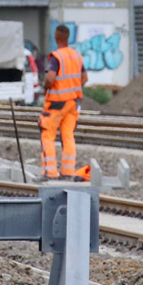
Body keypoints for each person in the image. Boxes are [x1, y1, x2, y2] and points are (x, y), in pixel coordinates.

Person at [40, 25, 88, 179]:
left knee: (47, 134)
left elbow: (50, 78)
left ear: (56, 37)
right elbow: (84, 78)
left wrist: (45, 88)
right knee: (68, 135)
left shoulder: (56, 56)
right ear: (68, 37)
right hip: (73, 102)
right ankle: (67, 172)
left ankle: (50, 172)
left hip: (57, 102)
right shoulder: (77, 56)